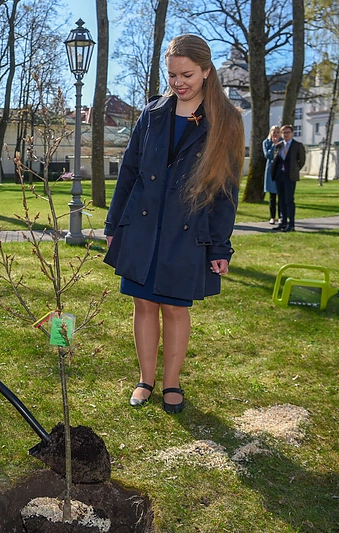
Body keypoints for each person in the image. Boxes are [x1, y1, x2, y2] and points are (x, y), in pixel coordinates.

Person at [103, 35, 244, 414]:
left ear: (206, 72)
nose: (178, 83)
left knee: (175, 309)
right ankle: (145, 380)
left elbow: (226, 190)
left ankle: (172, 383)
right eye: (172, 75)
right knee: (143, 303)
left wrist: (219, 247)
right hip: (142, 227)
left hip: (187, 232)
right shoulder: (152, 114)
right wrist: (114, 225)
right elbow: (129, 172)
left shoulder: (226, 121)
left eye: (187, 75)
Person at [271, 124, 306, 232]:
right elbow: (275, 159)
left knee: (289, 200)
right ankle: (283, 222)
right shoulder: (279, 145)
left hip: (290, 176)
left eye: (287, 132)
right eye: (283, 133)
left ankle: (291, 224)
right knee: (281, 200)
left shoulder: (297, 145)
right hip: (279, 176)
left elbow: (301, 161)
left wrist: (294, 169)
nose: (285, 135)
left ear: (292, 133)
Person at [263, 125, 281, 224]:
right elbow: (268, 155)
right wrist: (274, 145)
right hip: (271, 170)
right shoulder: (266, 142)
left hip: (281, 170)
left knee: (281, 195)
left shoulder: (283, 142)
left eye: (278, 132)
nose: (276, 134)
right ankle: (272, 217)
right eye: (274, 132)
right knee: (272, 196)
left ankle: (281, 216)